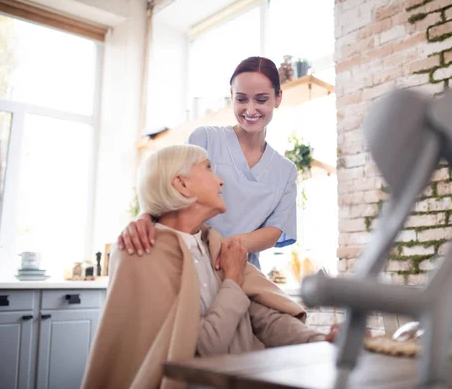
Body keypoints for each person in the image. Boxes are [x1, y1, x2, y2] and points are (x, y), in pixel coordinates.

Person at [81, 144, 336, 389]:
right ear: (181, 183)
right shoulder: (142, 255)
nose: (221, 181)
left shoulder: (213, 245)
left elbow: (264, 318)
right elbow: (202, 350)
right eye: (208, 168)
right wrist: (233, 278)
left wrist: (322, 341)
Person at [118, 56, 296, 269]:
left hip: (240, 270)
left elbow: (273, 232)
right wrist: (144, 217)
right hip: (187, 260)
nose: (250, 110)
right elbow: (165, 184)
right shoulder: (204, 139)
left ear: (278, 98)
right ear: (231, 96)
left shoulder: (285, 171)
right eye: (241, 99)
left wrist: (224, 248)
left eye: (261, 99)